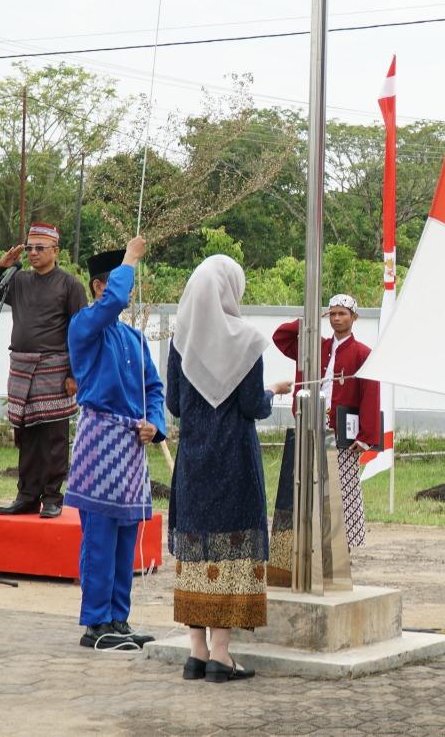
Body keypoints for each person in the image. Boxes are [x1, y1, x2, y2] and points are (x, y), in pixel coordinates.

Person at [164, 255, 292, 683]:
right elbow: (253, 405)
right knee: (233, 551)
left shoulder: (181, 341)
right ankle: (222, 654)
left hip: (195, 460)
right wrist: (273, 390)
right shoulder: (246, 340)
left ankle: (196, 653)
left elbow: (175, 405)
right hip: (235, 459)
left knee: (197, 550)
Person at [64, 237, 167, 652]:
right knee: (100, 537)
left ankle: (118, 620)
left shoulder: (135, 340)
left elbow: (154, 389)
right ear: (97, 287)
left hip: (131, 444)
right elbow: (113, 305)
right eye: (112, 283)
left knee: (127, 536)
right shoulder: (85, 325)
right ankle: (95, 624)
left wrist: (155, 426)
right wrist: (129, 261)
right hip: (100, 436)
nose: (121, 292)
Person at [268, 293, 381, 588]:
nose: (336, 319)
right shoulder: (315, 346)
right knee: (303, 489)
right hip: (309, 426)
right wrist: (309, 319)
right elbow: (281, 337)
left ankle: (342, 552)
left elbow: (371, 393)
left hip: (341, 434)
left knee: (341, 492)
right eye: (332, 314)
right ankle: (302, 551)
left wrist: (367, 436)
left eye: (342, 313)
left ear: (354, 317)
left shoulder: (363, 353)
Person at [0, 223, 86, 518]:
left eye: (40, 248)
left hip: (55, 368)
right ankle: (26, 496)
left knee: (54, 436)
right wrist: (2, 265)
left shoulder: (69, 285)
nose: (34, 253)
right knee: (25, 435)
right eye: (30, 248)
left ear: (55, 252)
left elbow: (80, 333)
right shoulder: (19, 281)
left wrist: (74, 374)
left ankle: (52, 497)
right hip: (22, 368)